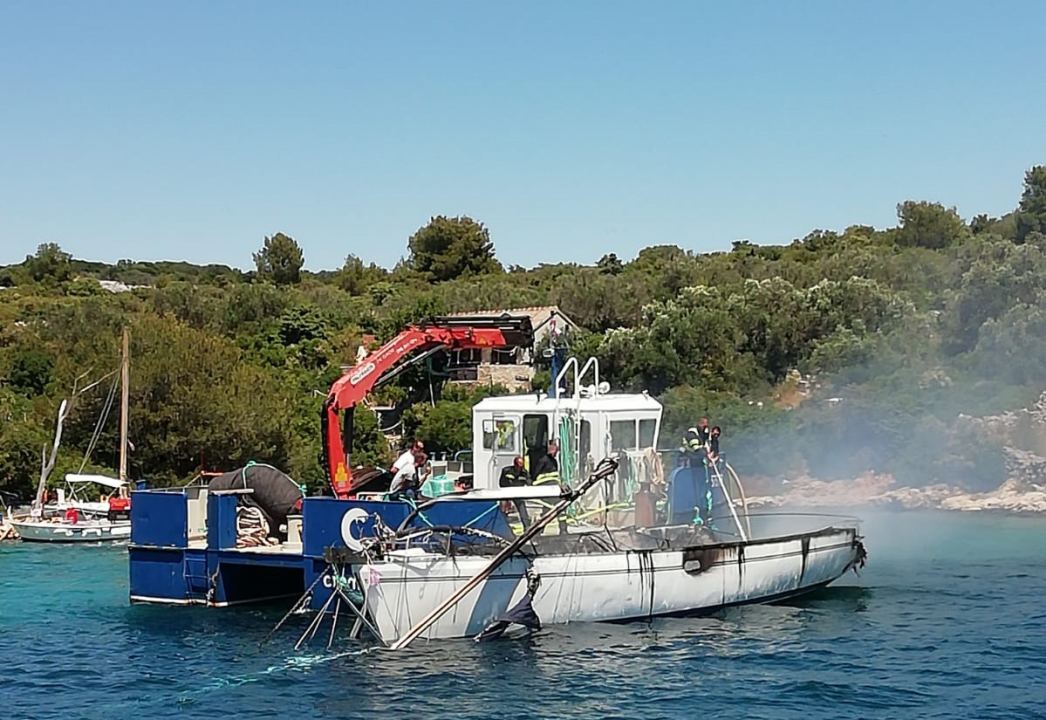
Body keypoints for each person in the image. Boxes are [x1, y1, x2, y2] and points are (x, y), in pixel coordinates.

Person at [499, 456, 531, 527]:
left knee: (522, 509)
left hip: (518, 493)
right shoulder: (506, 471)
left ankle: (527, 527)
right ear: (515, 465)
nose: (519, 469)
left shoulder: (524, 473)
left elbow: (529, 483)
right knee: (503, 508)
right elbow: (501, 483)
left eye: (521, 467)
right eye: (518, 466)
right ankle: (502, 525)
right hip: (506, 492)